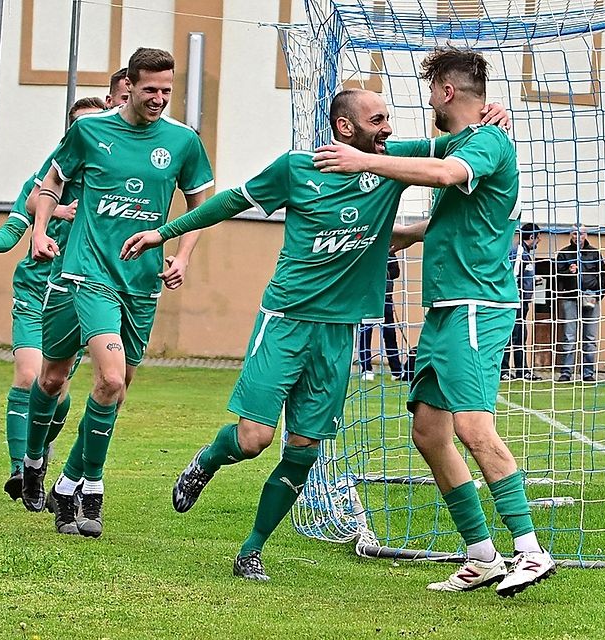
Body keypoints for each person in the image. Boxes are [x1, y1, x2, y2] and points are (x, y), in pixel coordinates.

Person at [122, 88, 512, 581]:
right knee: (253, 438)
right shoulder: (296, 167)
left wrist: (494, 114)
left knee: (303, 449)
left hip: (340, 332)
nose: (389, 128)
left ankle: (251, 550)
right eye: (378, 119)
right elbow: (228, 201)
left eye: (389, 118)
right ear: (346, 129)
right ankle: (208, 459)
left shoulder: (388, 165)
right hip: (285, 319)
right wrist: (164, 233)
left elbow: (460, 147)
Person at [314, 47, 556, 596]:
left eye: (430, 91)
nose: (425, 101)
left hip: (477, 306)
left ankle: (530, 550)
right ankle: (482, 554)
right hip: (445, 310)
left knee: (473, 427)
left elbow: (443, 174)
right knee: (429, 431)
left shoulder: (487, 142)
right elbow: (407, 155)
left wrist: (365, 161)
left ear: (447, 91)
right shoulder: (465, 139)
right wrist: (349, 144)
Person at [27, 48, 214, 537]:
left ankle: (67, 481)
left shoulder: (182, 142)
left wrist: (184, 253)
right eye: (150, 89)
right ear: (128, 86)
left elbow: (203, 200)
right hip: (89, 274)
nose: (158, 99)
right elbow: (49, 183)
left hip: (142, 282)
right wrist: (40, 228)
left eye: (167, 91)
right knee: (90, 378)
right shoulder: (90, 131)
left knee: (118, 386)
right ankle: (87, 483)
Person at [0, 97, 107, 501]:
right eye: (77, 129)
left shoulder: (107, 187)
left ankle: (37, 454)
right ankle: (21, 471)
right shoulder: (46, 183)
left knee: (55, 391)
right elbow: (18, 220)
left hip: (74, 297)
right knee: (27, 376)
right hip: (34, 290)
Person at [555, 226, 605, 383]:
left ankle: (587, 373)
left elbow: (604, 275)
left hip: (590, 298)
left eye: (581, 233)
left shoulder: (594, 253)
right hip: (570, 298)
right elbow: (556, 275)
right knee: (568, 336)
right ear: (570, 235)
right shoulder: (564, 253)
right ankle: (566, 372)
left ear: (586, 235)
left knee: (590, 337)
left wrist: (598, 295)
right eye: (574, 233)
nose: (578, 236)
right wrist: (568, 271)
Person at [501, 222, 541, 381]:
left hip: (521, 303)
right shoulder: (518, 252)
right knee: (512, 336)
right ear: (532, 237)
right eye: (538, 238)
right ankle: (504, 370)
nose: (538, 242)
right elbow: (512, 275)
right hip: (515, 303)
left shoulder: (524, 253)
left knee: (520, 335)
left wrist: (532, 281)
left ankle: (522, 370)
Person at [358, 252, 405, 381]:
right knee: (365, 333)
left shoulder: (390, 252)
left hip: (386, 298)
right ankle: (366, 369)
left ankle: (396, 370)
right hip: (368, 298)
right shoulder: (368, 249)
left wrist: (384, 269)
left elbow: (396, 272)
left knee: (390, 334)